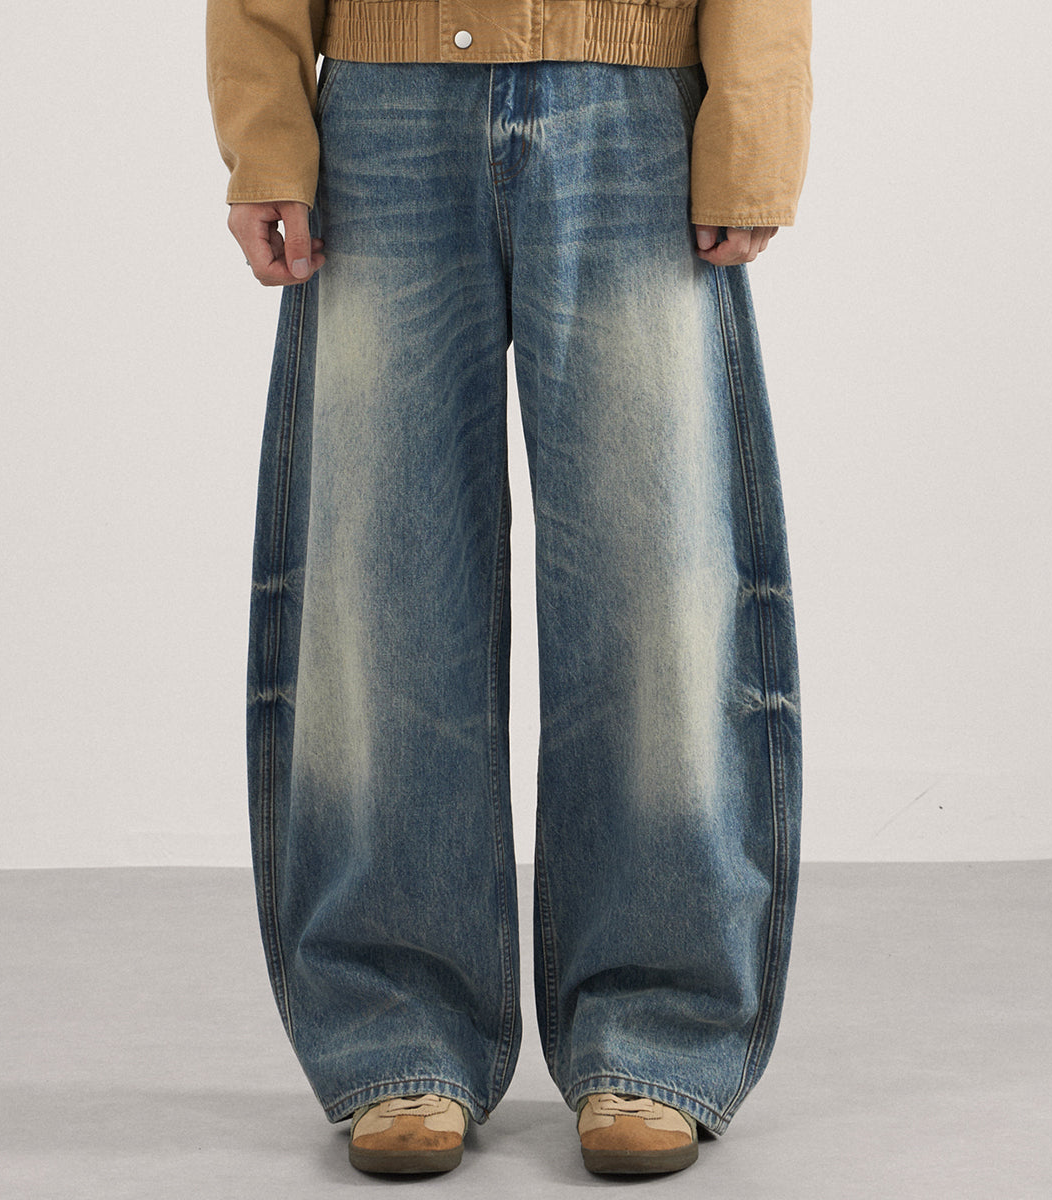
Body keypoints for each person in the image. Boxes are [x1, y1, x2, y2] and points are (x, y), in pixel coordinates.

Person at [207, 0, 811, 1178]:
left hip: (631, 107)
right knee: (382, 592)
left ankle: (656, 1025)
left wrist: (753, 120)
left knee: (659, 593)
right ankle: (397, 1027)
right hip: (382, 111)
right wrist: (266, 128)